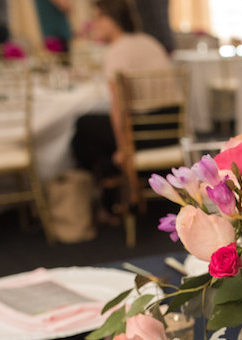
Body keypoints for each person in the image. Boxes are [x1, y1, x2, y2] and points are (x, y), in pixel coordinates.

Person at [70, 0, 172, 223]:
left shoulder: (116, 51)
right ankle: (115, 186)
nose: (93, 24)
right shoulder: (149, 41)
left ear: (112, 19)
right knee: (92, 128)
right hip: (171, 128)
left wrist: (123, 149)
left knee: (84, 127)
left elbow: (119, 110)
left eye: (98, 18)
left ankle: (111, 195)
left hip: (144, 134)